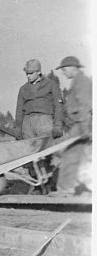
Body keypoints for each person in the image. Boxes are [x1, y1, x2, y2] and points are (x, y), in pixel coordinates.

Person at [54, 56, 92, 195]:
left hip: (81, 124)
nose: (63, 72)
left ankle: (66, 189)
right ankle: (76, 188)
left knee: (70, 155)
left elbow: (86, 105)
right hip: (80, 123)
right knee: (79, 156)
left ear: (72, 67)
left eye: (64, 69)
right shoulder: (78, 81)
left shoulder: (82, 82)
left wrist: (84, 128)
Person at [14, 59, 64, 139]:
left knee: (46, 149)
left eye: (31, 73)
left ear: (38, 72)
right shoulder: (23, 89)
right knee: (29, 150)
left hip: (45, 121)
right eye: (27, 73)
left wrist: (58, 124)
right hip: (27, 123)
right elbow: (19, 110)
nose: (28, 76)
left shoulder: (51, 85)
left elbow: (58, 106)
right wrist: (18, 127)